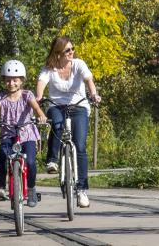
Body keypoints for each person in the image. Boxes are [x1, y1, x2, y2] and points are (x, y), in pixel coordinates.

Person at [35, 36, 101, 208]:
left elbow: (88, 80)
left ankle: (82, 190)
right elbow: (41, 82)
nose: (72, 52)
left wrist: (93, 94)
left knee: (79, 146)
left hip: (79, 106)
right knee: (57, 125)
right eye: (67, 50)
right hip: (57, 106)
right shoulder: (49, 69)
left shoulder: (78, 64)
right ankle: (52, 160)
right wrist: (39, 97)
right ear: (58, 54)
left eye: (72, 49)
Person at [0, 59, 47, 206]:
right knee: (2, 155)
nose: (11, 83)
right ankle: (1, 187)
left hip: (27, 135)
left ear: (21, 81)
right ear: (3, 81)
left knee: (31, 162)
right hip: (8, 135)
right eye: (8, 80)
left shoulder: (27, 95)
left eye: (15, 80)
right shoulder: (1, 97)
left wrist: (41, 115)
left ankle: (31, 189)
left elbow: (36, 108)